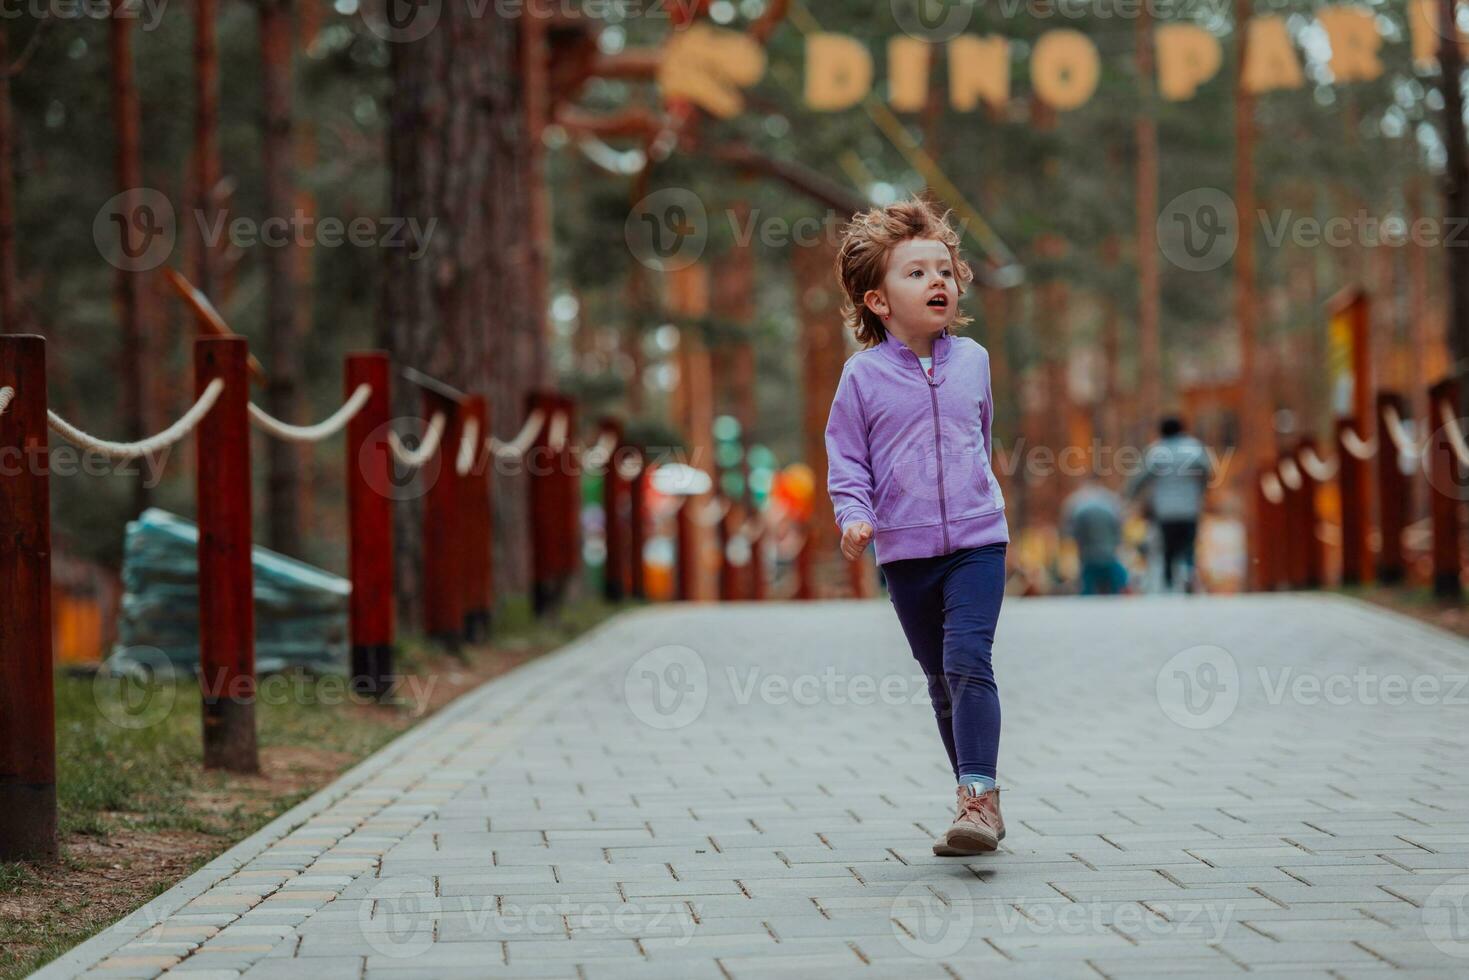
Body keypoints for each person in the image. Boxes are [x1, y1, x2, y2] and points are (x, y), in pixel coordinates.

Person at [824, 197, 1009, 857]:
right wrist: (855, 517)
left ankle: (978, 800)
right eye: (916, 273)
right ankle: (973, 791)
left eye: (945, 270)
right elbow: (847, 460)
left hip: (979, 540)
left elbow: (978, 436)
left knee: (967, 661)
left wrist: (976, 493)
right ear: (877, 301)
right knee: (939, 679)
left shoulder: (975, 360)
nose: (938, 281)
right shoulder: (862, 378)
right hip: (904, 554)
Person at [1126, 416, 1212, 593]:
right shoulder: (1194, 448)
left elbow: (1141, 477)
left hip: (1165, 510)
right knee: (1188, 545)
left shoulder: (1156, 451)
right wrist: (1201, 491)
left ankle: (1169, 581)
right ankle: (1188, 573)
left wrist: (1128, 495)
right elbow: (1207, 471)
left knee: (1168, 547)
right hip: (1190, 508)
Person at [1061, 480, 1129, 595]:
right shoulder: (1109, 502)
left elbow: (1072, 533)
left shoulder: (1077, 504)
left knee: (1088, 587)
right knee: (1118, 582)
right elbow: (1118, 530)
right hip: (1108, 556)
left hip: (1088, 557)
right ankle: (1117, 596)